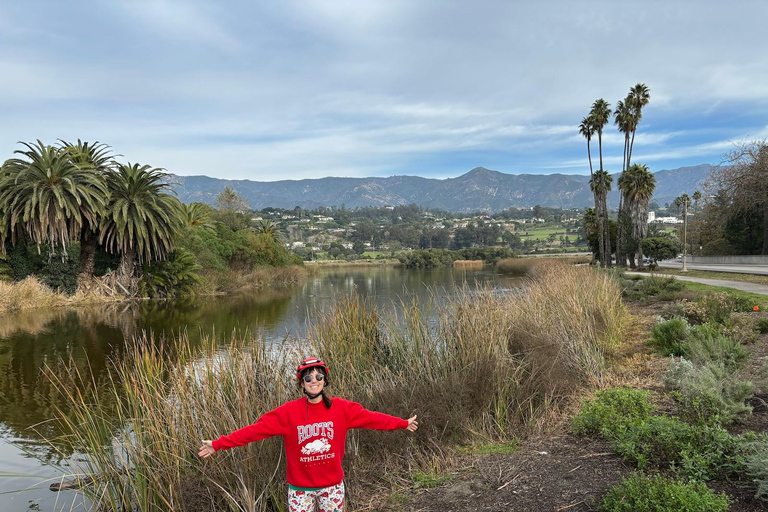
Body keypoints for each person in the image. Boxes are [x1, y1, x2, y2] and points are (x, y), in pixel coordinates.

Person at [199, 357, 418, 512]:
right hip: (300, 490)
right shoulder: (287, 413)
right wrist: (218, 444)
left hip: (331, 487)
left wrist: (401, 423)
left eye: (319, 377)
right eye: (308, 378)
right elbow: (254, 431)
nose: (314, 381)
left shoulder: (342, 409)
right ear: (301, 383)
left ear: (325, 381)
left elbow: (372, 419)